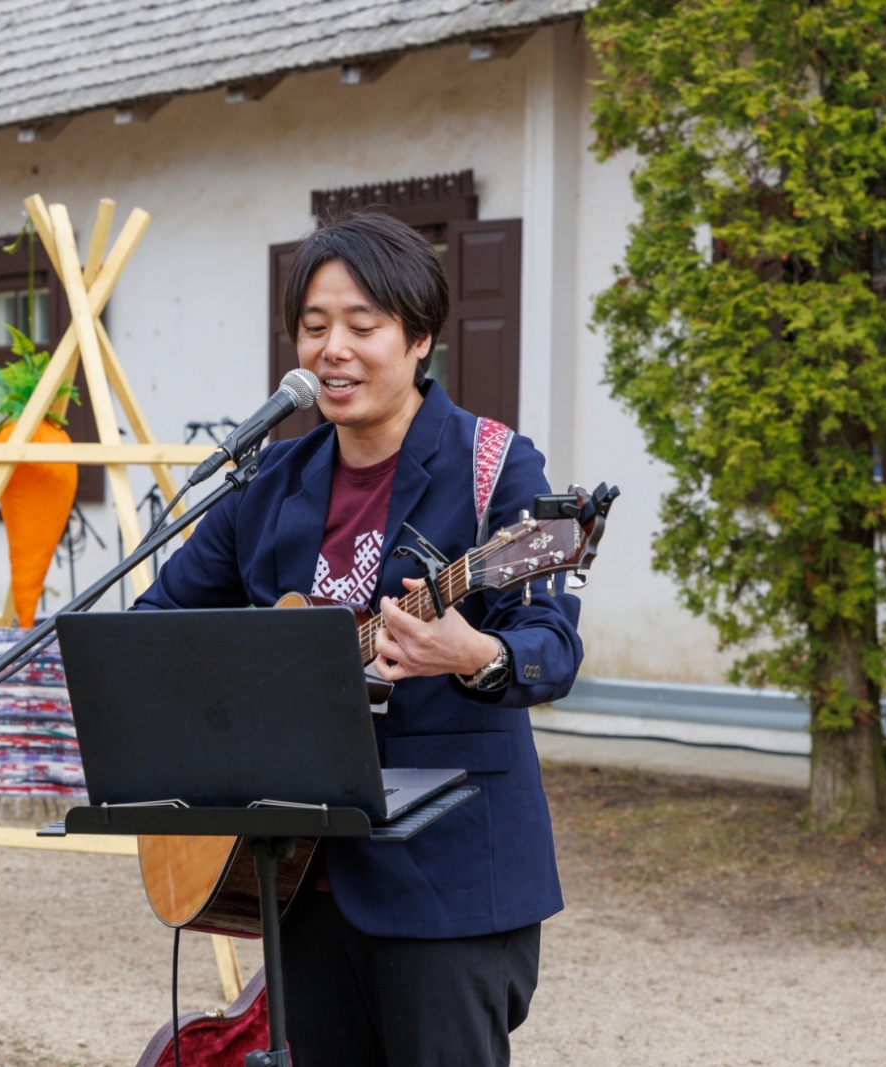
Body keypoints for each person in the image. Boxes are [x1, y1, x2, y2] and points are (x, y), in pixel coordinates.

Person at [136, 214, 581, 1065]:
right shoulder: (270, 482)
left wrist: (470, 655)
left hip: (448, 884)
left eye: (362, 325)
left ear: (419, 338)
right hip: (298, 878)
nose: (333, 348)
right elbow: (157, 632)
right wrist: (250, 690)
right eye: (314, 326)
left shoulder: (494, 467)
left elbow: (551, 648)